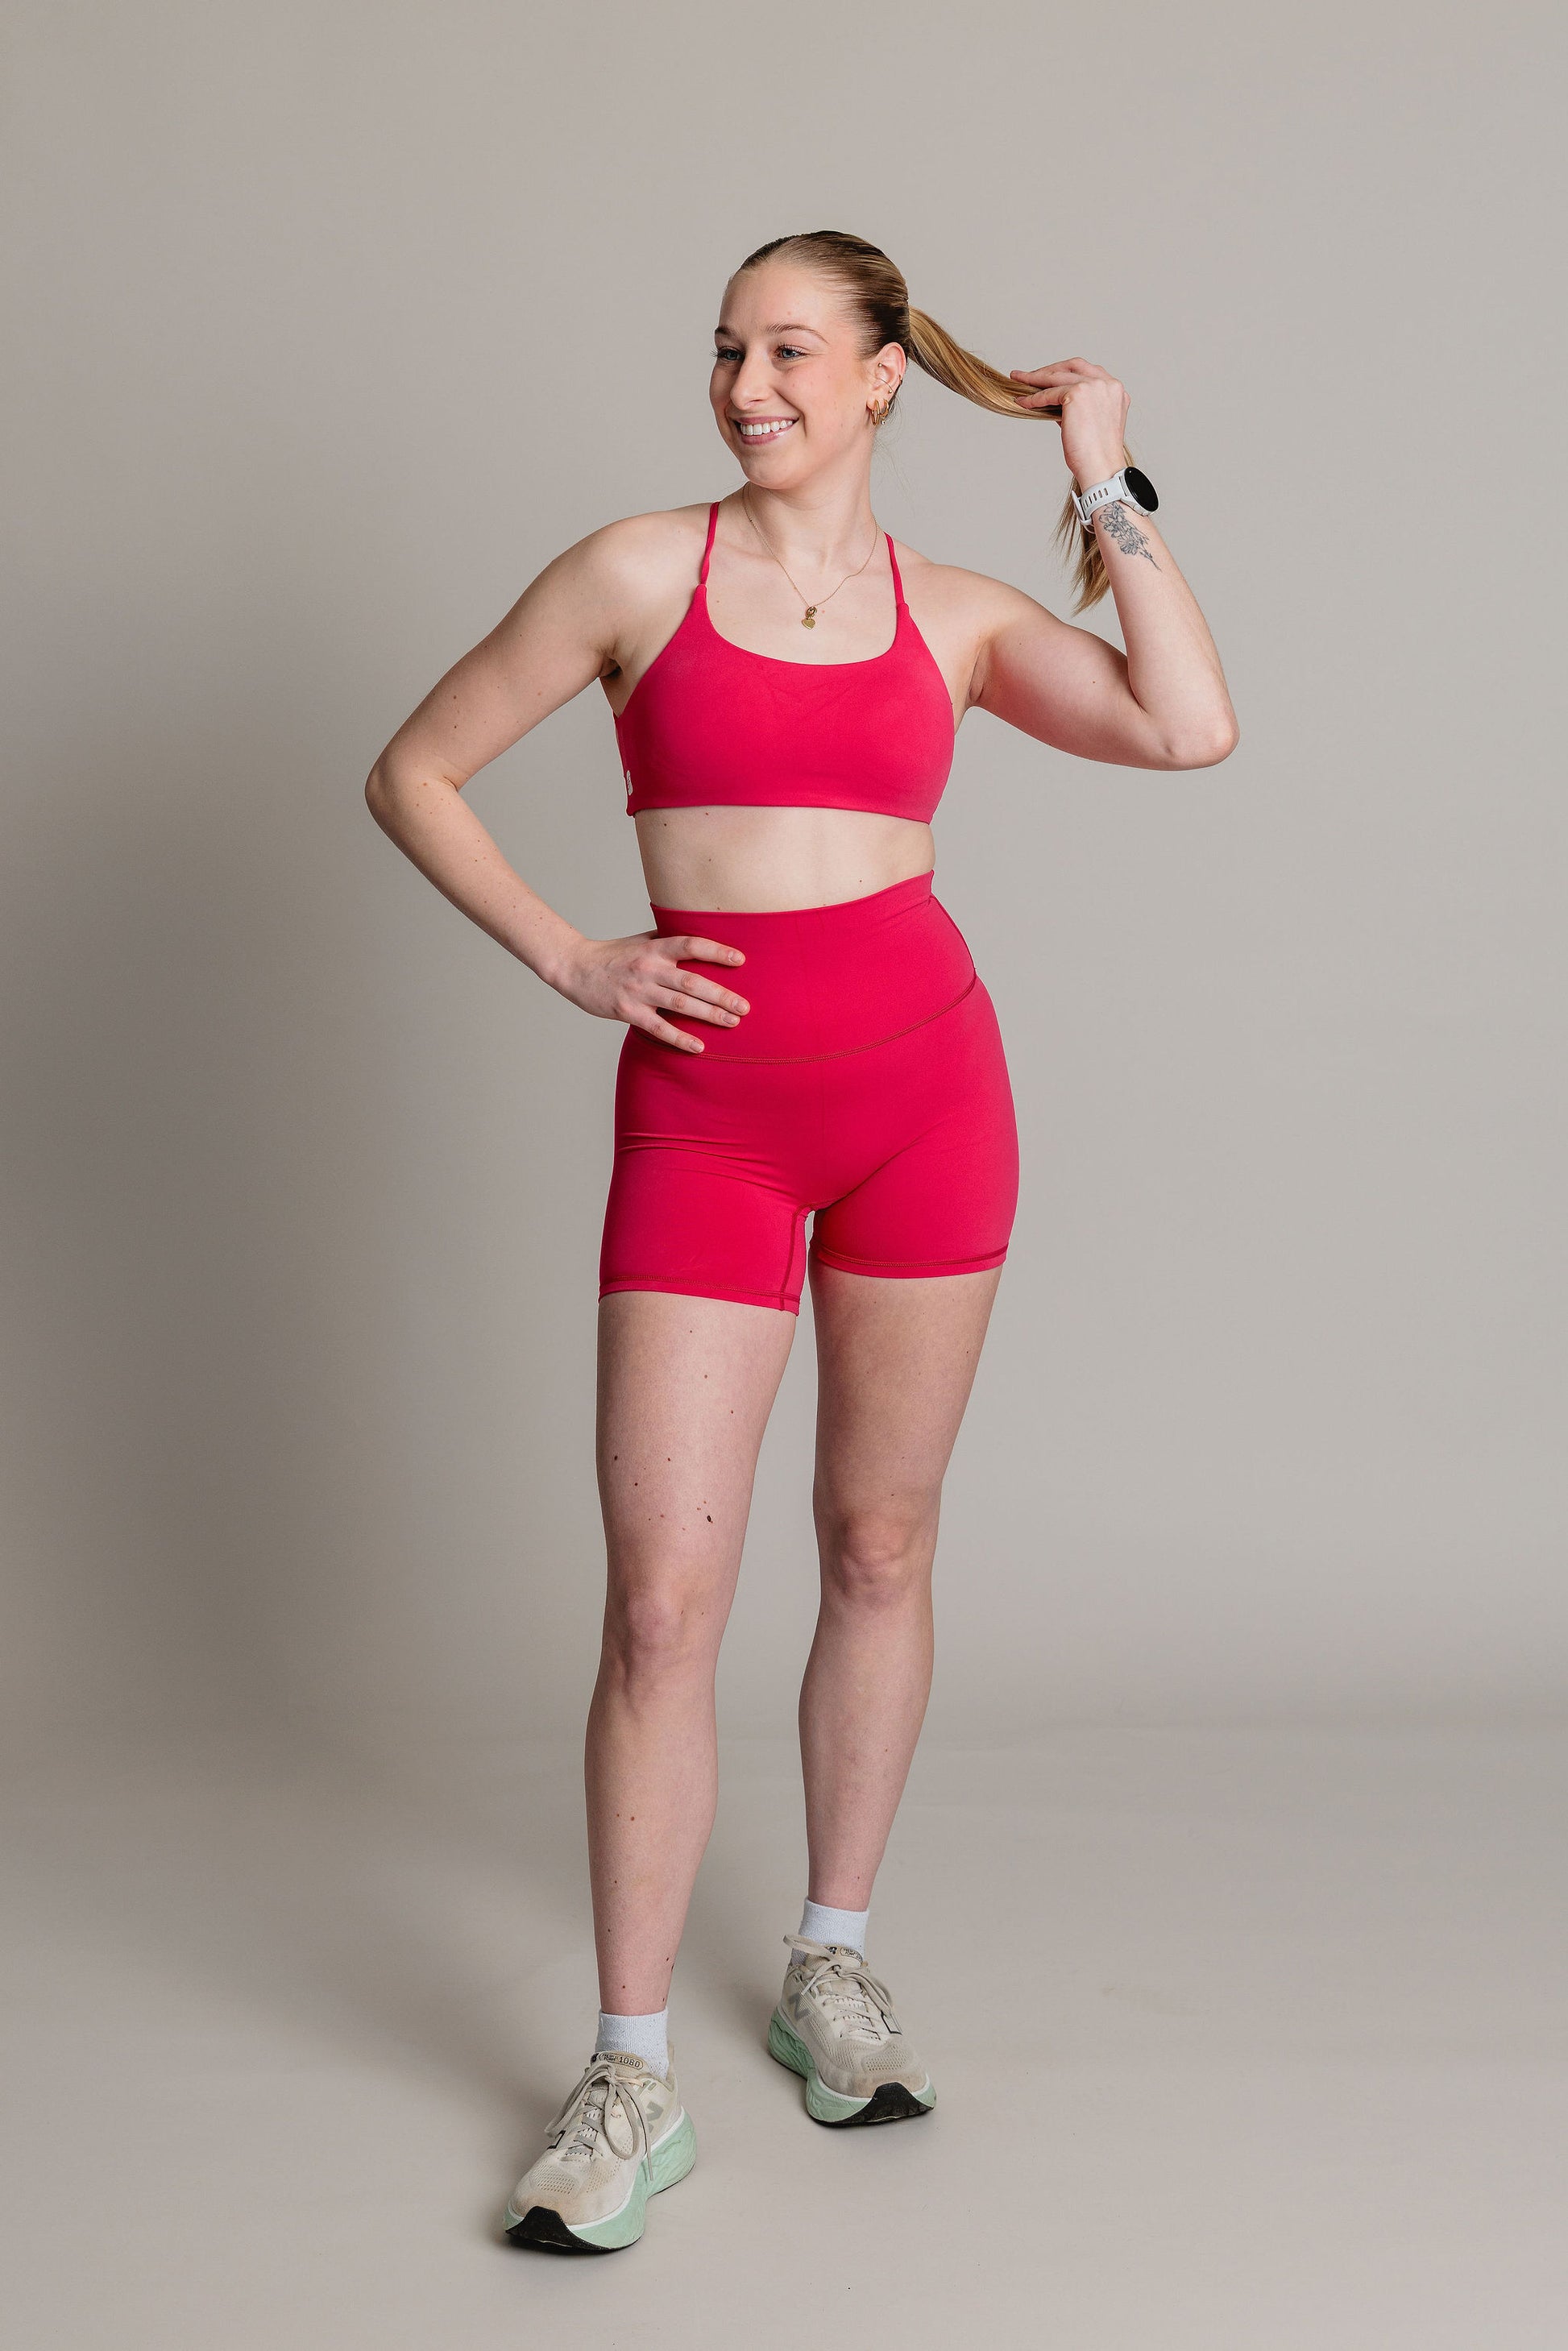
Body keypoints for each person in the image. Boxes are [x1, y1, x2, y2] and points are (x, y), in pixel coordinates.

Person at [364, 228, 1238, 2255]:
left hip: (930, 1103)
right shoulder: (630, 573)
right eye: (724, 351)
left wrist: (1100, 472)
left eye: (785, 351)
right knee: (661, 1604)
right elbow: (411, 770)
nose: (745, 386)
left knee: (879, 1544)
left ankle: (831, 1961)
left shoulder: (956, 613)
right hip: (709, 1123)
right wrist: (572, 956)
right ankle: (629, 2069)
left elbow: (1188, 725)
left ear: (877, 379)